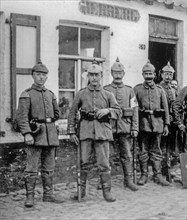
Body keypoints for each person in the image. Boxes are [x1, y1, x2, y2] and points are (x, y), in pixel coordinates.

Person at [67, 61, 122, 202]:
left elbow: (118, 112)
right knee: (83, 162)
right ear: (87, 76)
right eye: (91, 75)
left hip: (102, 133)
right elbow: (72, 113)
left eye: (96, 75)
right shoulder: (81, 94)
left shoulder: (108, 95)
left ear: (101, 75)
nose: (94, 78)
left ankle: (107, 192)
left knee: (103, 164)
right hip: (85, 132)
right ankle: (81, 191)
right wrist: (72, 132)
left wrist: (107, 110)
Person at [16, 60, 64, 208]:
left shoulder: (50, 94)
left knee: (49, 167)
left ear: (47, 77)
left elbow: (57, 114)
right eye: (38, 74)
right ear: (33, 76)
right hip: (35, 136)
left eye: (44, 75)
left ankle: (48, 195)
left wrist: (48, 123)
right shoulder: (27, 94)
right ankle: (30, 197)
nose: (41, 77)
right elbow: (21, 117)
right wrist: (27, 133)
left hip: (50, 135)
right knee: (31, 168)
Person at [103, 58, 139, 191]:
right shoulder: (105, 90)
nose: (117, 75)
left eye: (120, 72)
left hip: (125, 127)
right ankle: (105, 181)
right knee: (107, 155)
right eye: (115, 72)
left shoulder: (130, 90)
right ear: (111, 73)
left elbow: (135, 110)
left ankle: (128, 180)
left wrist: (135, 127)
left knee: (127, 155)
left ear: (124, 74)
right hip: (109, 127)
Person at [133, 60, 170, 186]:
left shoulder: (160, 90)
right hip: (143, 124)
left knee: (157, 150)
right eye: (146, 73)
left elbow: (165, 109)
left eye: (151, 73)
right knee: (143, 150)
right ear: (142, 75)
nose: (148, 76)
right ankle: (144, 174)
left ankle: (157, 175)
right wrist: (135, 126)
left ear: (155, 74)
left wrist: (166, 125)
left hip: (158, 124)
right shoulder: (137, 89)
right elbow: (133, 108)